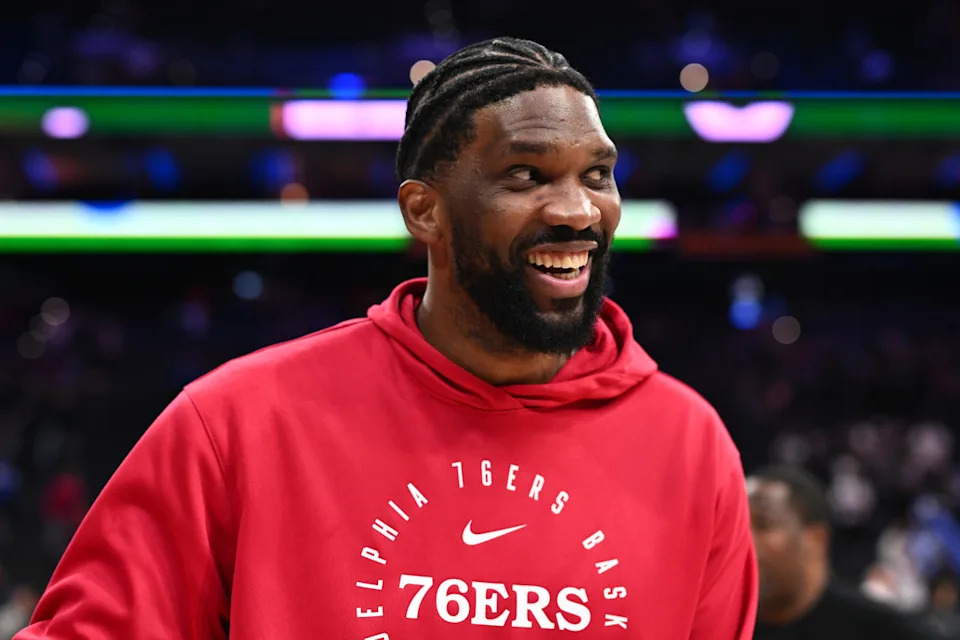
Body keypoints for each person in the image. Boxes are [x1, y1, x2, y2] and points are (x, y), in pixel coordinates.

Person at [16, 37, 757, 639]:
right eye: (527, 175)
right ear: (424, 211)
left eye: (596, 175)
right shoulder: (239, 423)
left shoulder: (691, 448)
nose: (577, 211)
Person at [749, 465, 938, 639]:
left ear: (814, 540)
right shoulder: (733, 626)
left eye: (763, 525)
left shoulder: (885, 630)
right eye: (739, 526)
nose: (747, 540)